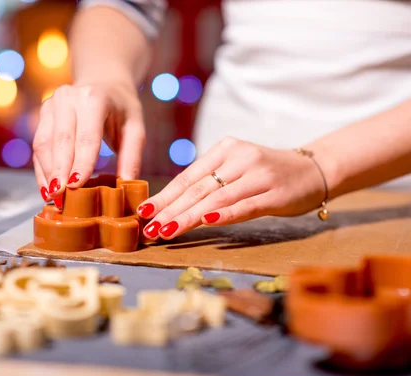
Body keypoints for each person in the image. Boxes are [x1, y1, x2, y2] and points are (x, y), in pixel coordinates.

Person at [31, 0, 411, 240]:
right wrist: (106, 77)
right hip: (220, 201)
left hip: (390, 202)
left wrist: (320, 166)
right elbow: (126, 5)